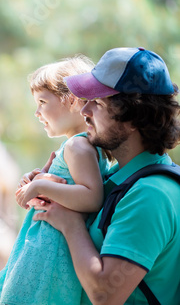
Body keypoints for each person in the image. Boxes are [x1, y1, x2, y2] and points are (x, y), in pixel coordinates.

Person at [32, 47, 180, 304]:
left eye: (97, 103)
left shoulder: (150, 194)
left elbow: (105, 294)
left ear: (134, 118)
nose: (84, 110)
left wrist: (70, 223)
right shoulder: (118, 179)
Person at [0, 55, 113, 305]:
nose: (37, 112)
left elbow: (91, 197)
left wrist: (41, 186)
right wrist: (39, 180)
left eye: (43, 102)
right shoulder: (79, 145)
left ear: (72, 100)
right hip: (52, 243)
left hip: (51, 249)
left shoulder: (77, 145)